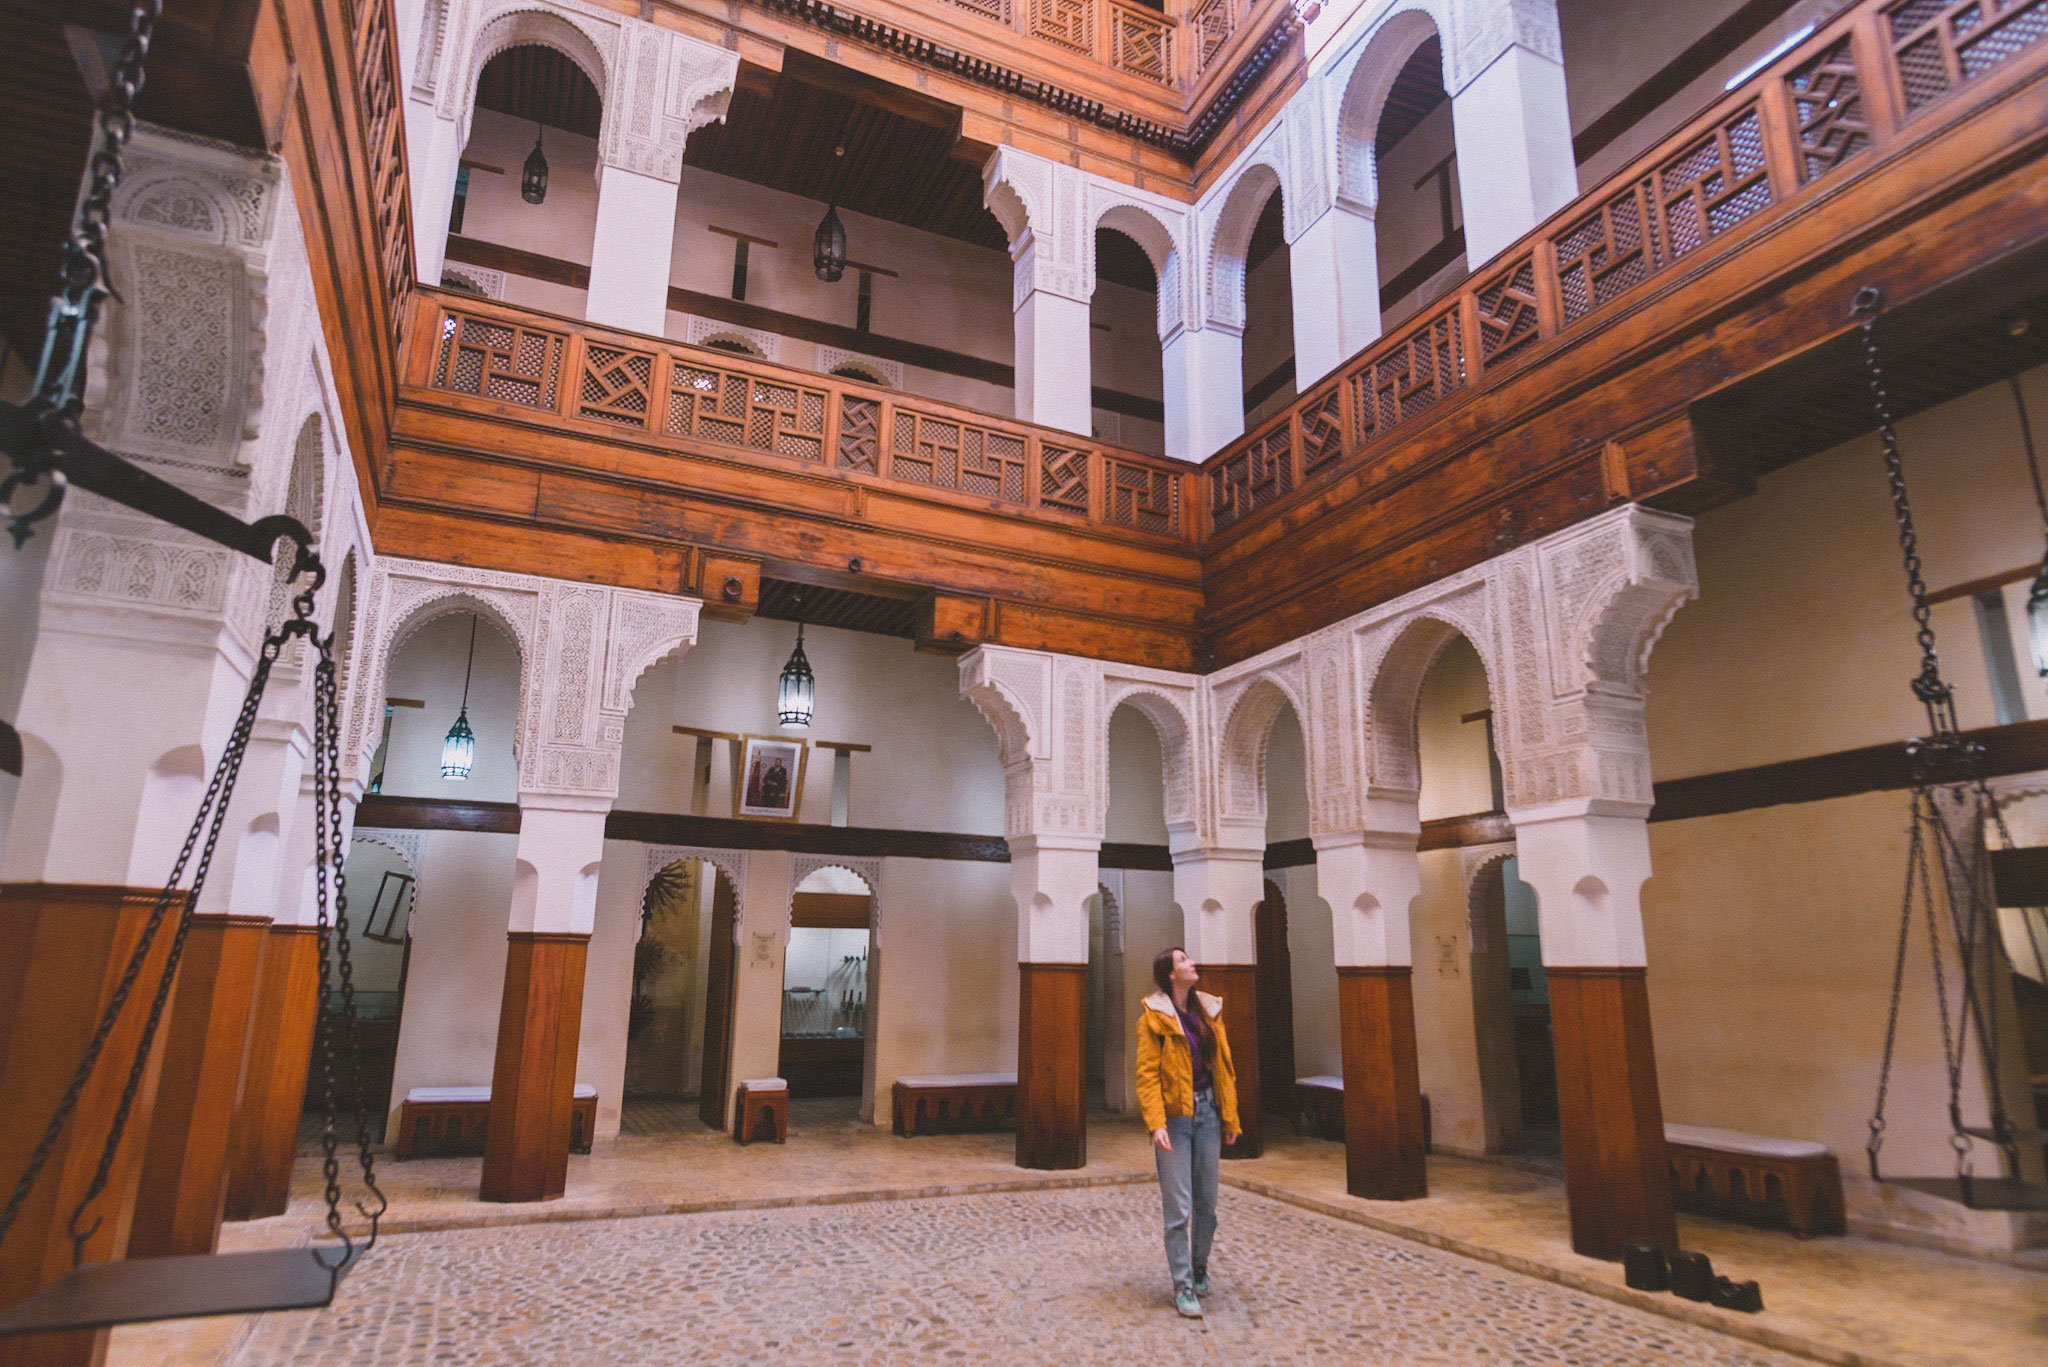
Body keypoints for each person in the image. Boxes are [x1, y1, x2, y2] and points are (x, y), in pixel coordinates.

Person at [1134, 946, 1241, 1318]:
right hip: (1176, 1120)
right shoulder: (1154, 1018)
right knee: (1178, 1208)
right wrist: (1157, 1123)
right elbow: (1146, 1076)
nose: (1191, 963)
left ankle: (1199, 1267)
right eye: (1183, 961)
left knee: (1207, 1206)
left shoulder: (1208, 1013)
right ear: (1170, 975)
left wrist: (1230, 1118)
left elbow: (1224, 1068)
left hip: (1209, 1113)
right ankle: (1182, 1284)